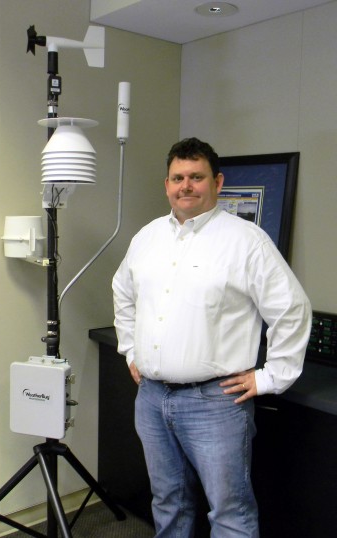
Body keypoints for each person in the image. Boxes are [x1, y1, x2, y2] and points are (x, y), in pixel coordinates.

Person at [112, 138, 312, 538]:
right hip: (151, 399)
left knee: (230, 512)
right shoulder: (147, 238)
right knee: (167, 501)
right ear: (166, 184)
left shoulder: (246, 242)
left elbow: (292, 309)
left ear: (217, 182)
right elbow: (123, 292)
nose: (186, 185)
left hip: (215, 404)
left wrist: (271, 376)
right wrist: (131, 349)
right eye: (178, 178)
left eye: (196, 177)